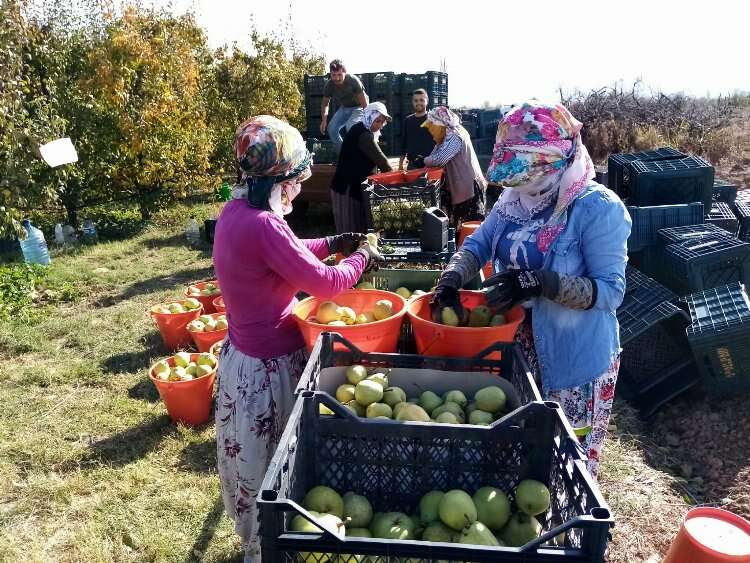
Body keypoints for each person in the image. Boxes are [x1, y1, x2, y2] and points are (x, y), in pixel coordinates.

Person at [430, 102, 631, 479]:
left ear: (558, 160)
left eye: (528, 173)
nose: (521, 184)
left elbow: (610, 292)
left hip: (573, 360)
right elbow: (478, 244)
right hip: (519, 348)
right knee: (522, 447)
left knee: (565, 460)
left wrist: (543, 282)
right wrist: (452, 279)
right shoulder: (512, 201)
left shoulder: (596, 208)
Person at [212, 115, 381, 563]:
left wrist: (335, 241)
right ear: (281, 180)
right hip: (268, 374)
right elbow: (326, 284)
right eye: (295, 182)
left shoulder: (236, 213)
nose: (298, 190)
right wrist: (362, 256)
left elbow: (289, 250)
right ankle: (271, 549)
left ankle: (262, 544)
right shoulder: (264, 225)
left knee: (253, 466)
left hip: (243, 364)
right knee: (275, 467)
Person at [330, 102, 394, 233]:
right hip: (347, 188)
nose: (380, 125)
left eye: (382, 122)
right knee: (351, 230)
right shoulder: (364, 135)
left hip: (350, 186)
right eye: (377, 121)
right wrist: (395, 178)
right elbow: (382, 162)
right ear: (369, 116)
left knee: (355, 230)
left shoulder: (361, 128)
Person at [421, 106, 487, 228]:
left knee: (469, 227)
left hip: (469, 189)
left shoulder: (455, 135)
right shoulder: (445, 137)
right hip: (460, 188)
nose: (430, 131)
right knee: (457, 227)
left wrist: (424, 160)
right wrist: (426, 161)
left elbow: (440, 159)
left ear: (439, 124)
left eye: (431, 126)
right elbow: (434, 156)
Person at [321, 59, 368, 155]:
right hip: (345, 107)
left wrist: (368, 118)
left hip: (359, 107)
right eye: (334, 75)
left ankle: (358, 154)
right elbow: (325, 104)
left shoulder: (353, 80)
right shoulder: (329, 85)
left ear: (345, 73)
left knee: (351, 126)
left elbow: (364, 103)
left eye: (339, 75)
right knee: (331, 129)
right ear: (330, 74)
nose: (337, 78)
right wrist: (324, 120)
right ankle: (344, 155)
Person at [398, 88, 435, 170]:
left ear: (427, 101)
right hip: (412, 165)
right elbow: (404, 143)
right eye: (416, 100)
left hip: (431, 165)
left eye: (421, 100)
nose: (418, 103)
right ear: (412, 102)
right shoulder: (408, 120)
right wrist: (400, 164)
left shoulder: (433, 119)